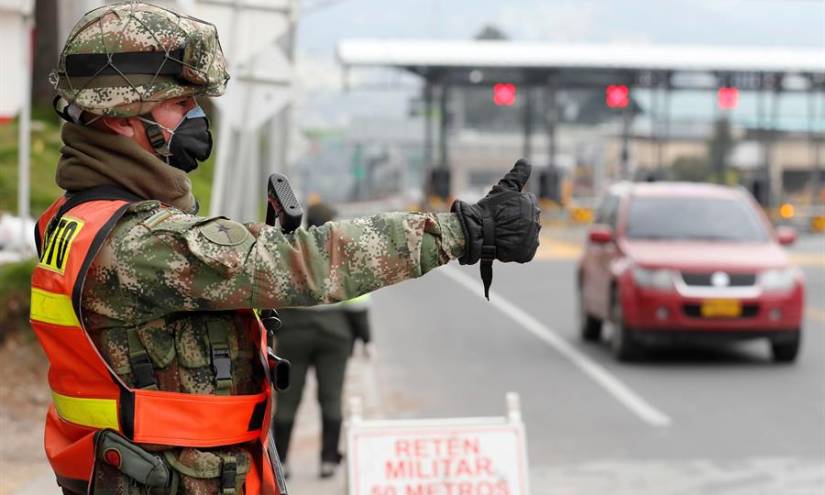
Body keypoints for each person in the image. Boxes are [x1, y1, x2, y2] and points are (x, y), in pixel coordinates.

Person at [30, 3, 541, 495]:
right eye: (180, 104)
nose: (195, 117)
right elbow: (305, 264)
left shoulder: (74, 219)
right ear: (122, 117)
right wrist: (463, 231)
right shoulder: (140, 242)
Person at [273, 202, 373, 479]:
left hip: (293, 332)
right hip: (335, 335)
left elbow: (273, 295)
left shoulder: (291, 251)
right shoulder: (340, 255)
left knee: (288, 399)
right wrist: (366, 338)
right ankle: (328, 460)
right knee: (330, 396)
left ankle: (280, 461)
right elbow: (357, 302)